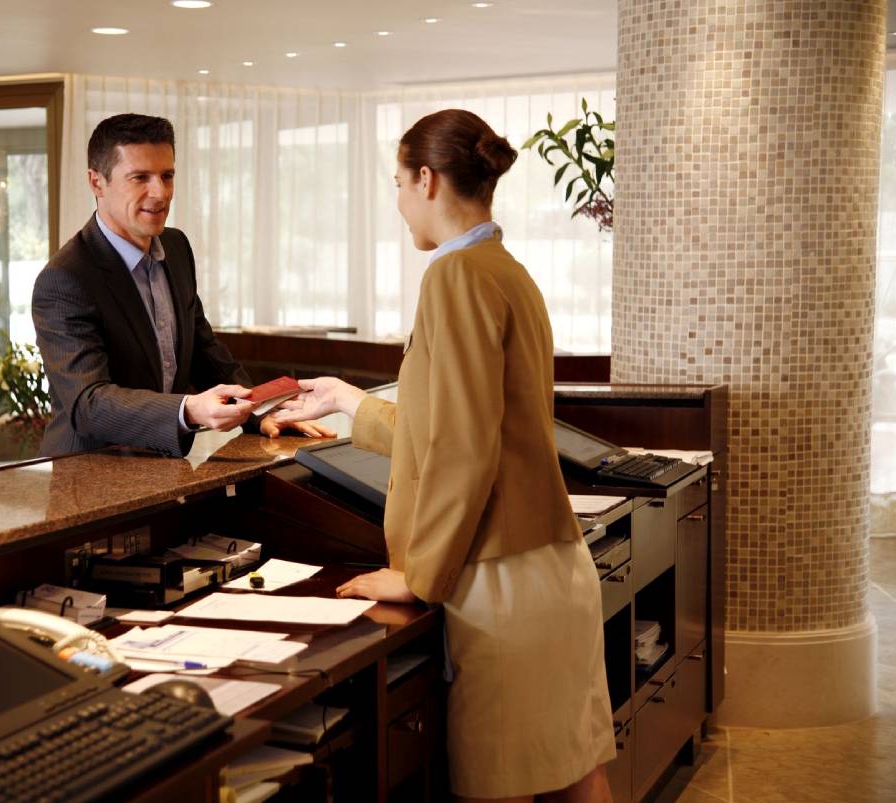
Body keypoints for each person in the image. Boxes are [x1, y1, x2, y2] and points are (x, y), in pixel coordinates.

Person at [272, 109, 616, 802]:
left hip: (498, 580)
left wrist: (419, 576)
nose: (399, 203)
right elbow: (455, 427)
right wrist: (346, 398)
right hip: (549, 568)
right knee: (579, 775)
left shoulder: (453, 277)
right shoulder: (506, 269)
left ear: (427, 180)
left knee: (503, 788)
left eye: (399, 183)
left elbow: (462, 449)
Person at [33, 113, 331, 458]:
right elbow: (88, 403)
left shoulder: (175, 247)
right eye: (140, 177)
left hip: (166, 465)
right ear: (97, 182)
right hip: (89, 472)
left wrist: (263, 412)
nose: (160, 193)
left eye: (167, 175)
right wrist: (187, 410)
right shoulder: (65, 278)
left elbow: (204, 350)